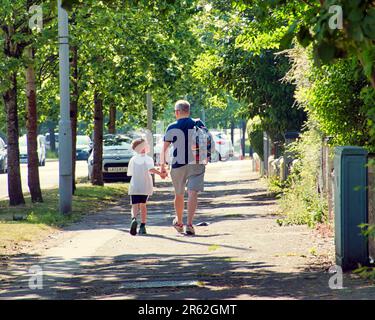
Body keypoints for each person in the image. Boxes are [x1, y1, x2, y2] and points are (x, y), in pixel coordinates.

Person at [160, 100, 208, 236]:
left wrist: (162, 166)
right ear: (188, 111)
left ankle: (179, 222)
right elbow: (205, 142)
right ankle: (190, 224)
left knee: (179, 194)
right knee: (193, 193)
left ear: (177, 112)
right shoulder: (198, 124)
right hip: (197, 163)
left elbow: (164, 149)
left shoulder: (172, 126)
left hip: (178, 165)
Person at [127, 138, 166, 236]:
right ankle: (143, 226)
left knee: (134, 205)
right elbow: (151, 169)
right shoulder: (148, 159)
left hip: (135, 185)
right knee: (143, 205)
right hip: (145, 185)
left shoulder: (133, 159)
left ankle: (134, 219)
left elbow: (130, 173)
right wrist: (161, 173)